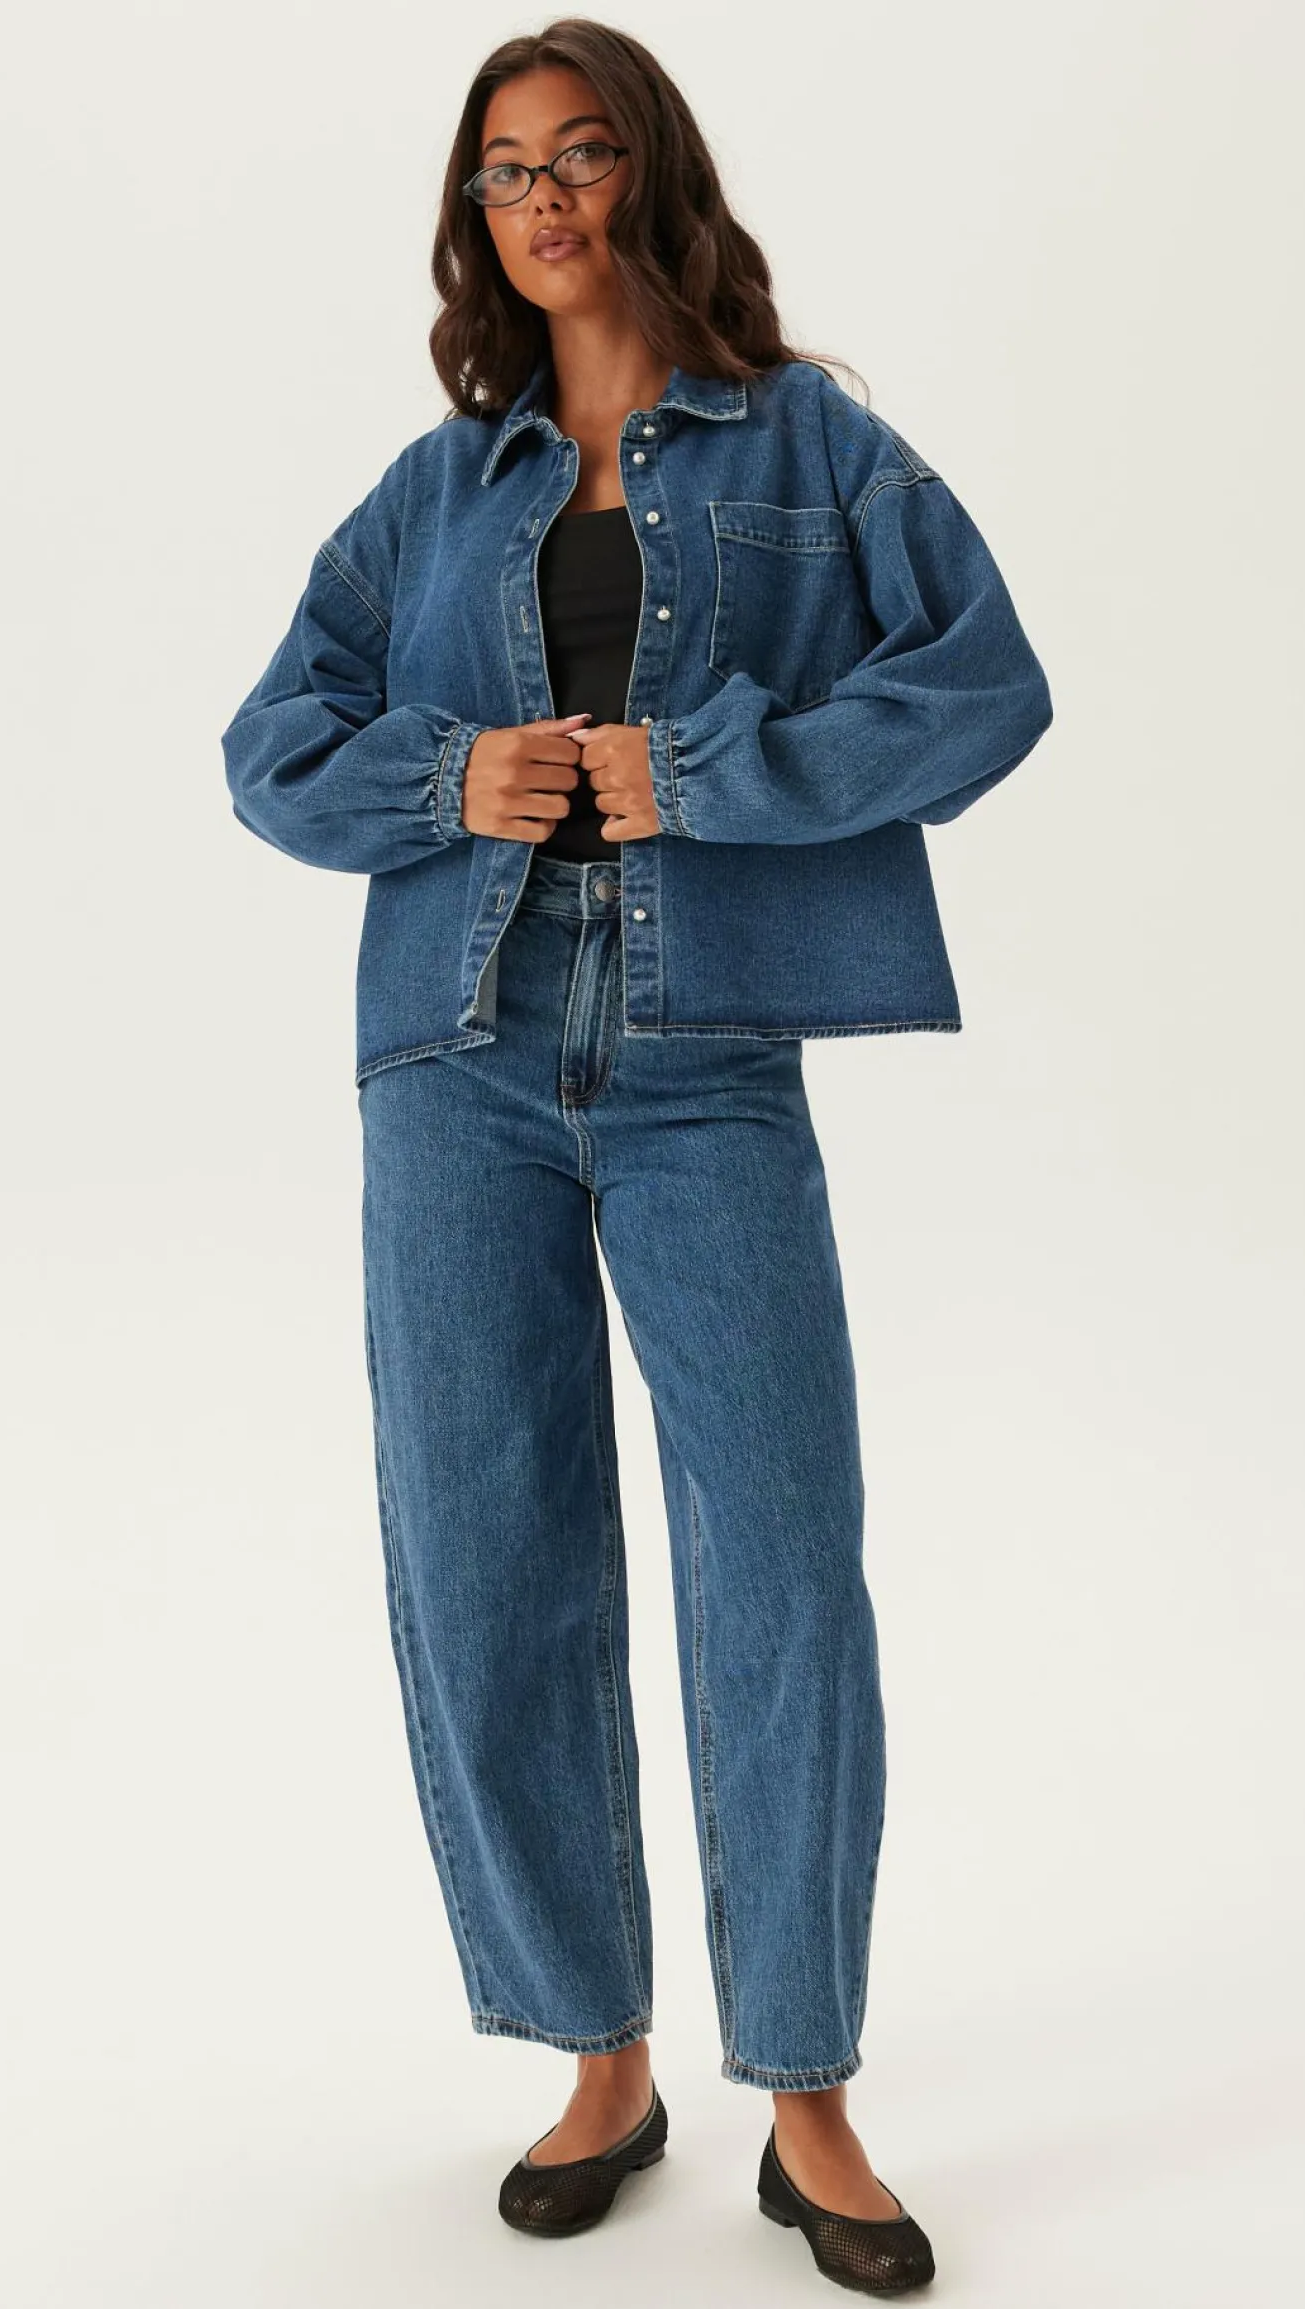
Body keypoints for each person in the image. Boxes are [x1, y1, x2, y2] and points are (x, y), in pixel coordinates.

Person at [221, 18, 1052, 2296]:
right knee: (489, 1556)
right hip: (455, 1063)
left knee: (780, 1564)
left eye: (580, 153)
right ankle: (599, 2060)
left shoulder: (809, 445)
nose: (544, 198)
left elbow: (984, 682)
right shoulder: (435, 490)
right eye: (504, 170)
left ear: (649, 174)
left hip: (705, 1060)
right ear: (474, 216)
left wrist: (719, 769)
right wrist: (443, 778)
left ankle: (807, 2093)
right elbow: (268, 742)